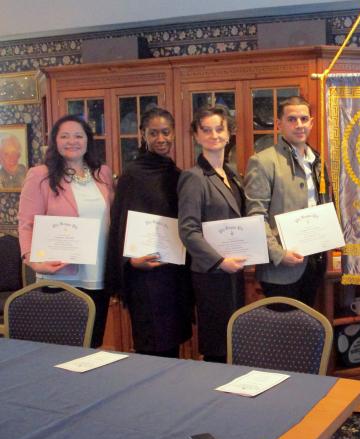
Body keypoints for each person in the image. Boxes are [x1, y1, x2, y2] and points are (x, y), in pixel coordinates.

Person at [18, 114, 114, 347]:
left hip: (98, 272)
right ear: (55, 141)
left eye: (78, 136)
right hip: (60, 272)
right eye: (65, 136)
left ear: (88, 140)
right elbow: (26, 222)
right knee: (63, 346)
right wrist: (32, 260)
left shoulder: (102, 173)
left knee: (92, 343)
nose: (72, 141)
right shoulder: (40, 175)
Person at [106, 107, 192, 358]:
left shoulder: (177, 175)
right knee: (150, 343)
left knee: (173, 341)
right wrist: (129, 261)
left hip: (172, 274)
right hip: (143, 276)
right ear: (143, 135)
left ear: (174, 133)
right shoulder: (131, 175)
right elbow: (119, 224)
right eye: (153, 133)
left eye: (165, 132)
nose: (160, 139)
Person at [244, 95, 330, 307]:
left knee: (306, 329)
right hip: (280, 269)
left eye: (303, 118)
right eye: (292, 119)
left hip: (314, 262)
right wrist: (278, 254)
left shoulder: (317, 161)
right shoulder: (263, 161)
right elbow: (256, 216)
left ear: (311, 122)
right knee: (283, 334)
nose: (299, 125)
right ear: (279, 124)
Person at [178, 105, 245, 363]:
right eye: (206, 130)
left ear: (229, 134)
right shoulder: (194, 177)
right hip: (212, 274)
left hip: (234, 270)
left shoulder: (232, 175)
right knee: (217, 345)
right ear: (196, 135)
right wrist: (219, 261)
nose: (214, 135)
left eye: (220, 129)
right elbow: (188, 230)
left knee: (233, 341)